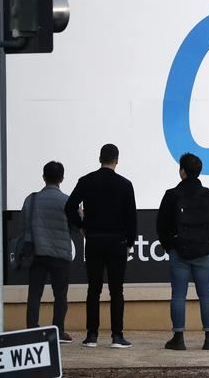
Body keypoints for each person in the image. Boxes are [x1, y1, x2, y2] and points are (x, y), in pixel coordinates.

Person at [65, 144, 137, 349]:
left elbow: (69, 206)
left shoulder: (86, 181)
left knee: (93, 289)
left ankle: (91, 335)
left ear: (99, 158)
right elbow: (131, 217)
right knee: (117, 290)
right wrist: (130, 242)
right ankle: (117, 336)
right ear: (117, 160)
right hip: (117, 241)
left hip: (94, 240)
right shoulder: (125, 184)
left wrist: (80, 226)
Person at [156, 153, 209, 351]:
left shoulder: (171, 195)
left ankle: (178, 339)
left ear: (182, 171)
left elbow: (161, 225)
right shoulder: (208, 195)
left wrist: (170, 245)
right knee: (206, 295)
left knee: (178, 296)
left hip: (179, 253)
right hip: (204, 252)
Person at [25, 161, 77, 344]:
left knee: (34, 293)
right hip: (60, 255)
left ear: (43, 177)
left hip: (37, 253)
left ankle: (31, 329)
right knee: (60, 295)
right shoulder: (66, 200)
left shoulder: (31, 199)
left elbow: (25, 225)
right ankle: (59, 330)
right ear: (62, 178)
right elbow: (77, 225)